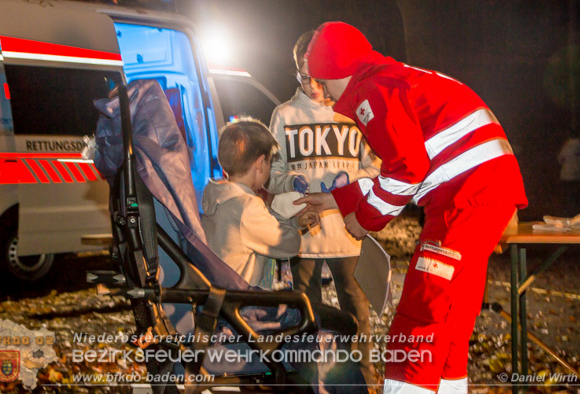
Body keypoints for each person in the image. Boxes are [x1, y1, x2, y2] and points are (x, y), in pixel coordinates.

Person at [297, 22, 528, 393]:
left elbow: (407, 171)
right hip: (480, 191)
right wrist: (339, 199)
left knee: (418, 317)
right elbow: (409, 167)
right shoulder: (389, 78)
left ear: (332, 69)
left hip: (464, 197)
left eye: (317, 79)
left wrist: (364, 219)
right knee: (449, 318)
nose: (319, 90)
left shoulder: (369, 92)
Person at [266, 30, 381, 387]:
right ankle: (305, 384)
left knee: (355, 312)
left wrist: (350, 182)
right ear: (296, 72)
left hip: (347, 229)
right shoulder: (284, 115)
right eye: (305, 75)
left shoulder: (353, 111)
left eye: (318, 75)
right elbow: (272, 173)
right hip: (302, 233)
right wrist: (289, 186)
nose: (314, 84)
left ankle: (358, 383)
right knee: (303, 313)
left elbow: (377, 164)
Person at [201, 118, 319, 288]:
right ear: (260, 163)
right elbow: (289, 245)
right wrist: (293, 230)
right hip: (246, 306)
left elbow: (263, 227)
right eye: (269, 162)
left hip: (223, 299)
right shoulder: (246, 208)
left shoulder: (219, 198)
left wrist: (295, 222)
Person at [557, 133, 580, 216]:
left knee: (568, 197)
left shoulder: (567, 146)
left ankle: (568, 214)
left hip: (567, 175)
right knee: (576, 197)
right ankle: (576, 213)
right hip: (577, 175)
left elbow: (560, 158)